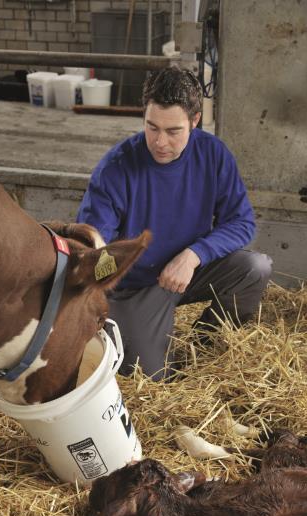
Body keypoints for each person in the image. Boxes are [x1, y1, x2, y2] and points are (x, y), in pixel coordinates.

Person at [77, 67, 272, 380]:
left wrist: (194, 255)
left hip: (188, 270)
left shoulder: (213, 155)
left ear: (195, 121)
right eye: (151, 127)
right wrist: (94, 289)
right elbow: (94, 249)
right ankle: (146, 335)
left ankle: (201, 345)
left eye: (173, 131)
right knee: (146, 375)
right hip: (136, 285)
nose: (159, 142)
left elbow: (242, 222)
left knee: (255, 268)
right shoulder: (117, 168)